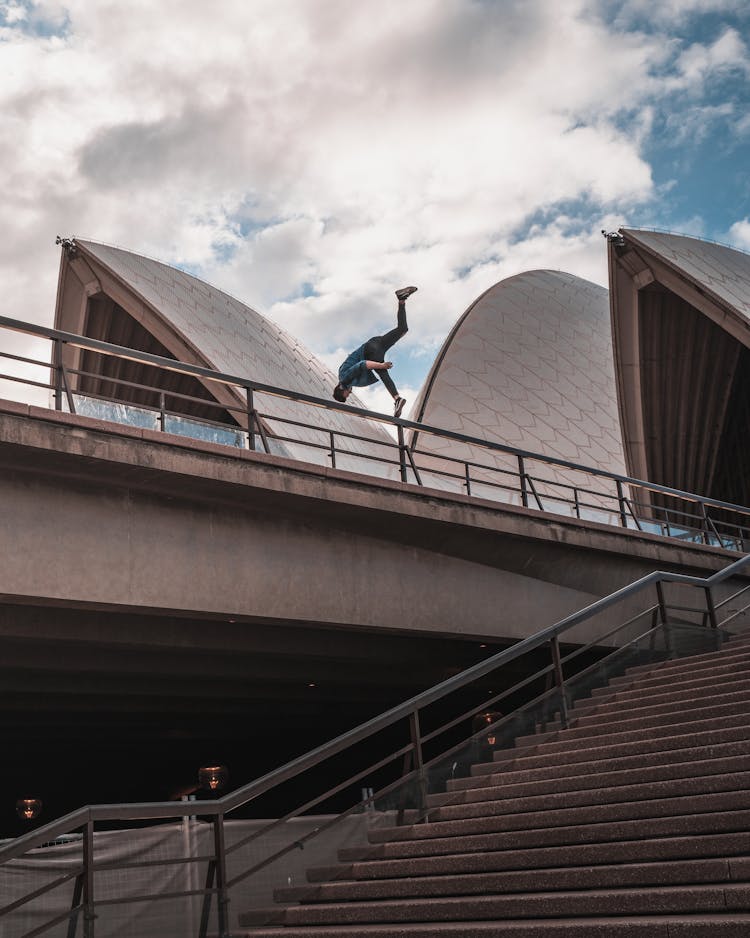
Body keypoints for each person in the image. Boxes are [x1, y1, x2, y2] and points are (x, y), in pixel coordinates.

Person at [333, 286, 417, 417]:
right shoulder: (345, 377)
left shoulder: (345, 379)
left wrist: (382, 365)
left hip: (371, 351)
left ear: (341, 389)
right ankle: (402, 299)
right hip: (375, 345)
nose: (350, 393)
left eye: (347, 394)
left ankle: (397, 399)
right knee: (403, 329)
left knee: (382, 371)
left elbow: (363, 364)